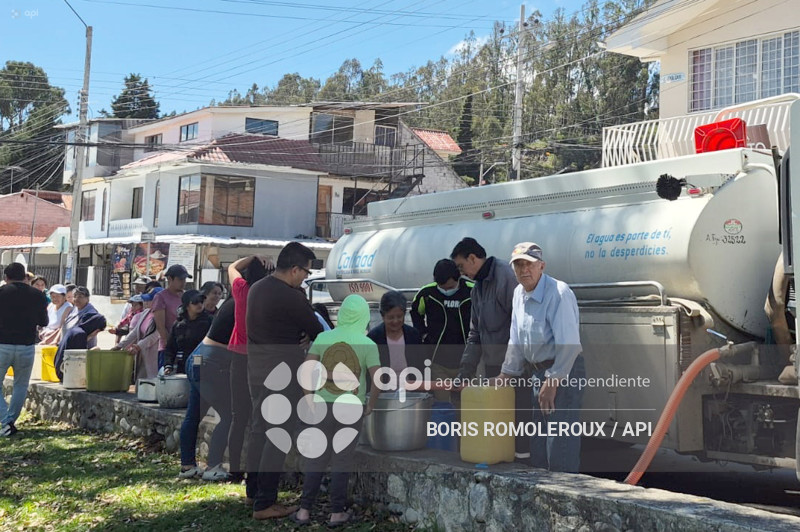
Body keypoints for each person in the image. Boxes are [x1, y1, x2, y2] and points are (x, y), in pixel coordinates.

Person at [246, 242, 324, 520]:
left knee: (259, 432)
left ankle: (254, 492)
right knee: (277, 436)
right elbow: (318, 330)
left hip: (256, 371)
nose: (305, 277)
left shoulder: (257, 288)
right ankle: (265, 503)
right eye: (305, 272)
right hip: (281, 374)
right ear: (294, 269)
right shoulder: (291, 297)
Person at [493, 243, 584, 473]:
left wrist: (553, 381)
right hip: (537, 373)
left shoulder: (558, 293)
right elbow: (516, 337)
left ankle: (564, 500)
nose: (524, 270)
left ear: (541, 266)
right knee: (539, 446)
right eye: (518, 265)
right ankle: (544, 500)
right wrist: (506, 373)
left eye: (529, 264)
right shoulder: (518, 293)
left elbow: (569, 345)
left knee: (559, 444)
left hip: (563, 371)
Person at [293, 294, 380, 527]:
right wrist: (370, 405)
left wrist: (309, 399)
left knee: (316, 459)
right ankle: (336, 513)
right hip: (351, 408)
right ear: (363, 316)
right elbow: (377, 379)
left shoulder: (323, 337)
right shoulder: (368, 344)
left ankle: (304, 511)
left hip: (321, 406)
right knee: (342, 460)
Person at [450, 237, 530, 460]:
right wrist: (465, 373)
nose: (461, 273)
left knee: (520, 426)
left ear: (473, 258)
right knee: (500, 426)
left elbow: (520, 327)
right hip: (495, 368)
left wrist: (510, 369)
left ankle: (524, 469)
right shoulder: (478, 289)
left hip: (518, 369)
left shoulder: (506, 276)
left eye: (461, 266)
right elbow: (474, 335)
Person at [179, 294, 236, 482]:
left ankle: (187, 465)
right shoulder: (244, 304)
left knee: (193, 415)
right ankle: (213, 467)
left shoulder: (230, 302)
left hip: (197, 358)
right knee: (229, 415)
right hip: (212, 364)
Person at [227, 255, 271, 490]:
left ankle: (235, 469)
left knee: (238, 415)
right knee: (258, 418)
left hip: (238, 357)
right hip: (260, 360)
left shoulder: (241, 289)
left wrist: (252, 257)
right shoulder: (267, 295)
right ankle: (256, 474)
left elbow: (232, 266)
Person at [410, 259, 473, 400]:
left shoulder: (471, 290)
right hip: (438, 360)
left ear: (458, 279)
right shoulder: (427, 293)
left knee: (469, 403)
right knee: (443, 404)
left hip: (467, 360)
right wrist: (423, 332)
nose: (446, 291)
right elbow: (415, 312)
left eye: (450, 288)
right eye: (442, 287)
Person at [0, 263, 48, 437]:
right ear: (25, 277)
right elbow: (44, 322)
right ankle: (10, 421)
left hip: (2, 344)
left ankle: (6, 421)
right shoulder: (38, 295)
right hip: (27, 345)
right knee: (21, 385)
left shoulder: (2, 293)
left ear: (6, 277)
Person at [367, 290, 424, 384]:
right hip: (384, 393)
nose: (395, 321)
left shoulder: (413, 335)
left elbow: (421, 366)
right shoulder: (374, 338)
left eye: (399, 316)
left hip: (412, 392)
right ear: (382, 316)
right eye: (390, 317)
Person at [54, 287, 107, 381]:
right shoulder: (74, 309)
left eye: (81, 297)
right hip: (67, 345)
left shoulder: (90, 313)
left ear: (87, 298)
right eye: (75, 296)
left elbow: (94, 331)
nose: (77, 299)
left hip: (80, 348)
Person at [114, 288, 163, 379]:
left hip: (154, 355)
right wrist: (119, 346)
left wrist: (138, 346)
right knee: (141, 382)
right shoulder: (146, 313)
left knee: (152, 381)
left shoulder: (162, 315)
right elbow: (135, 332)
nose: (145, 301)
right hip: (142, 354)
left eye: (149, 299)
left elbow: (155, 335)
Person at [152, 264, 191, 369]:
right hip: (168, 349)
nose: (183, 282)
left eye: (185, 279)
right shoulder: (160, 297)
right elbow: (161, 327)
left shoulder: (188, 296)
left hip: (187, 348)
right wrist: (170, 347)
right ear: (169, 279)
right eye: (180, 279)